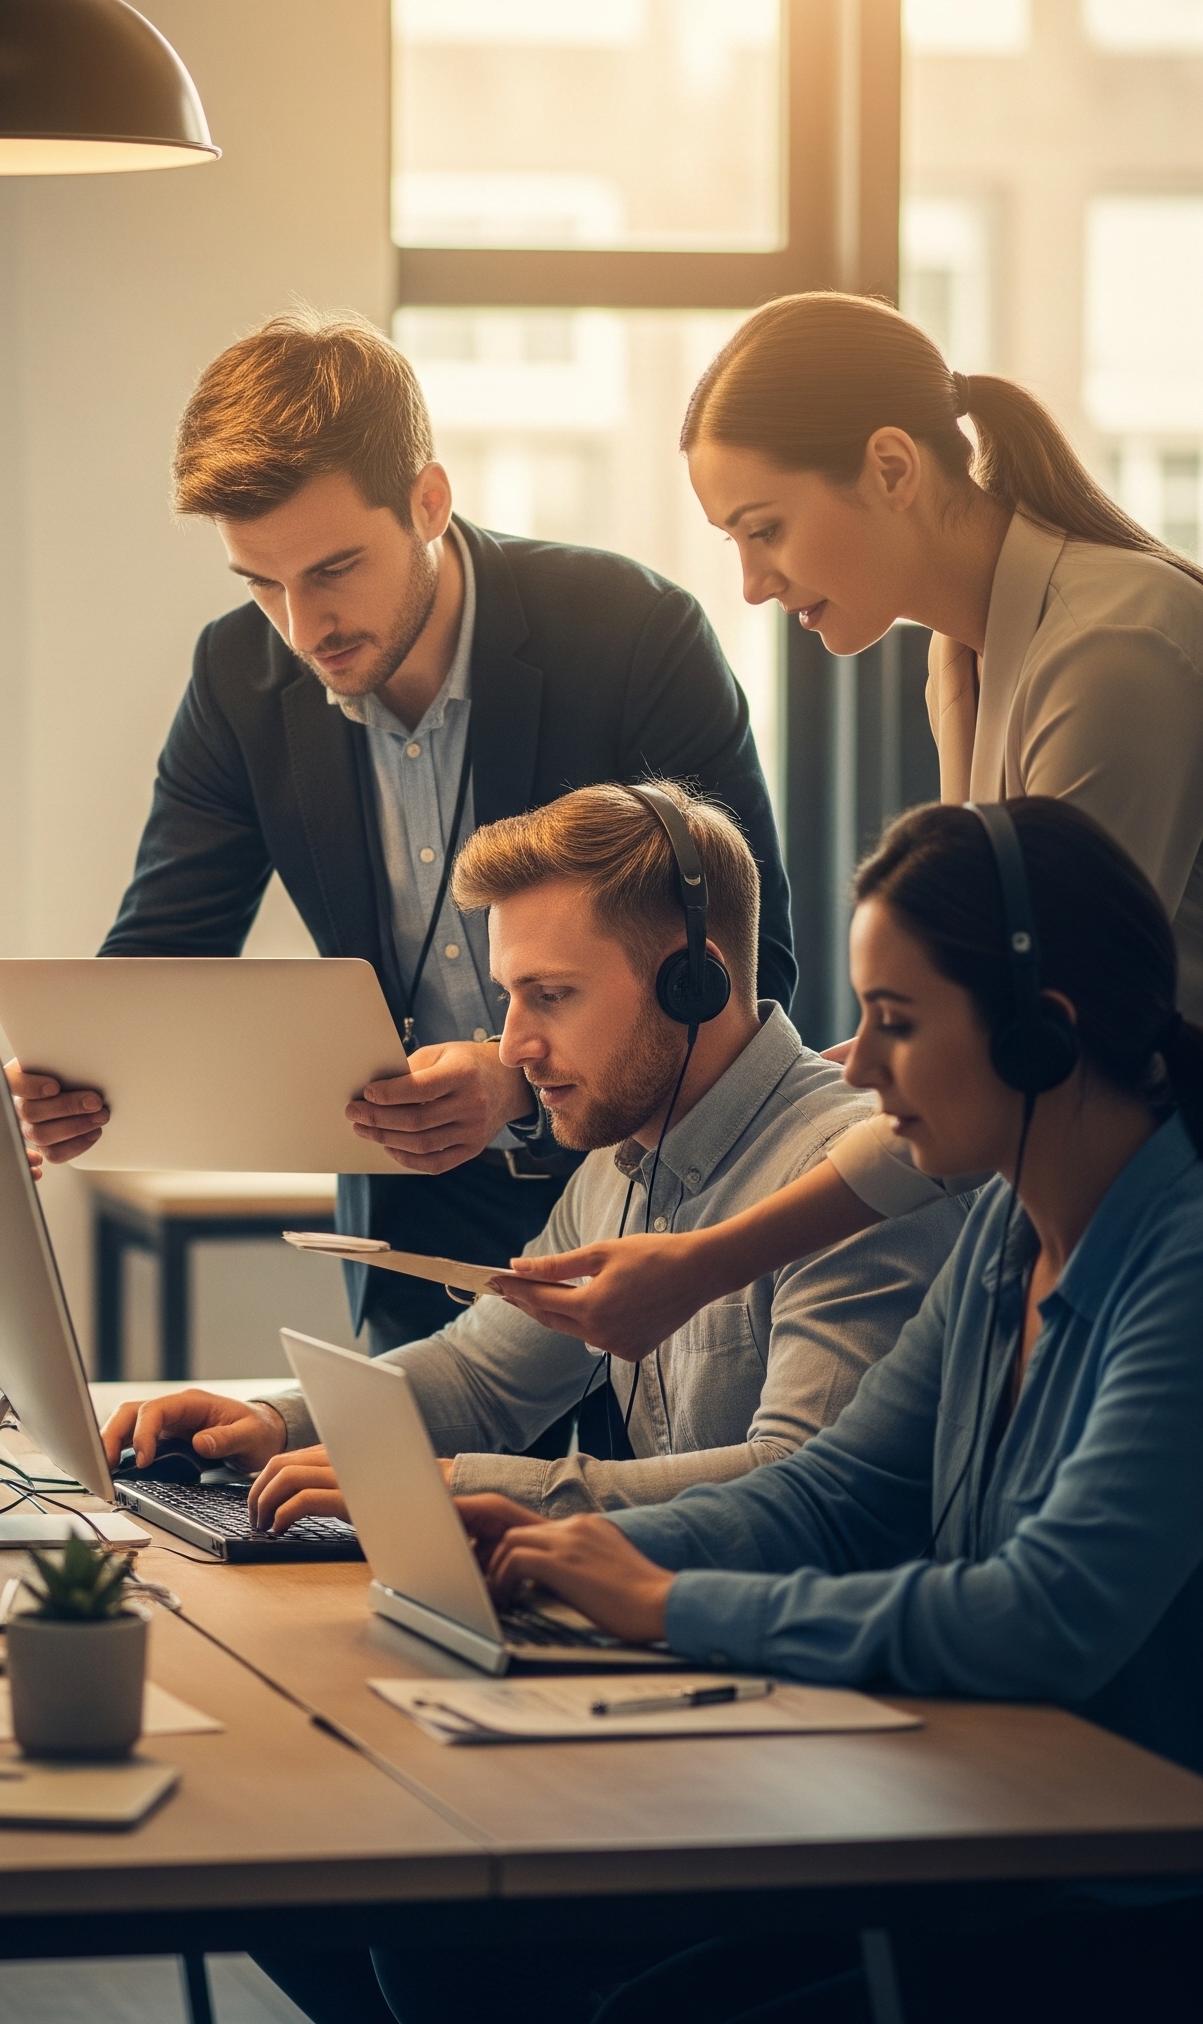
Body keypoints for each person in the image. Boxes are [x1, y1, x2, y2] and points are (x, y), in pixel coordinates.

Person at [446, 795, 1203, 2024]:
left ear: (1035, 1037)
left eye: (895, 1022)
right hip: (988, 1843)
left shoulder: (1180, 1265)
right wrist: (572, 1547)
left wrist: (665, 1601)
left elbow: (1043, 1614)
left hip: (1134, 1903)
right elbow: (835, 1493)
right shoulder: (1007, 1239)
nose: (853, 1063)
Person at [7, 309, 795, 1353]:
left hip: (645, 1205)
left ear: (427, 499)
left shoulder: (631, 631)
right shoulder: (238, 678)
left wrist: (514, 1072)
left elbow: (755, 966)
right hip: (413, 1236)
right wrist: (78, 1070)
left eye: (333, 569)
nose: (301, 627)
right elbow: (162, 949)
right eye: (261, 582)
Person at [498, 288, 1203, 1377]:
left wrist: (703, 1260)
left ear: (889, 465)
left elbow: (1023, 1045)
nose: (750, 581)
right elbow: (987, 1006)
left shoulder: (1109, 652)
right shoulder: (957, 656)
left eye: (763, 529)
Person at [109, 782, 964, 1530]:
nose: (512, 1045)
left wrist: (456, 1490)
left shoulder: (852, 1177)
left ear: (690, 984)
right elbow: (484, 1376)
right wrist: (278, 1423)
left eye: (551, 996)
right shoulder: (622, 1151)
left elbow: (804, 1486)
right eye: (509, 998)